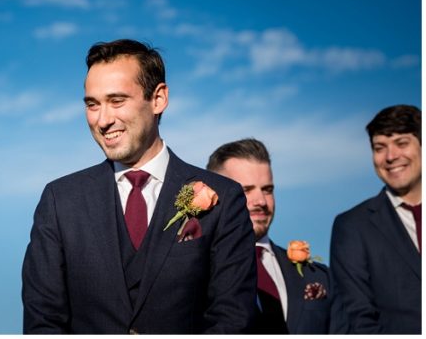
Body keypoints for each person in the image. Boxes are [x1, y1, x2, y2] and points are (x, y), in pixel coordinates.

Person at [21, 39, 256, 334]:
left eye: (117, 101)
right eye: (93, 105)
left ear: (158, 99)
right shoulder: (60, 202)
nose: (103, 120)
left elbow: (232, 319)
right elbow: (43, 322)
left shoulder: (225, 198)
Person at [208, 138, 340, 333]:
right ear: (215, 194)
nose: (261, 200)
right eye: (245, 190)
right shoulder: (194, 273)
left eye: (267, 190)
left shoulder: (319, 275)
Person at [330, 105, 421, 333]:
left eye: (401, 143)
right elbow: (358, 318)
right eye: (380, 147)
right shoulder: (352, 227)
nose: (391, 157)